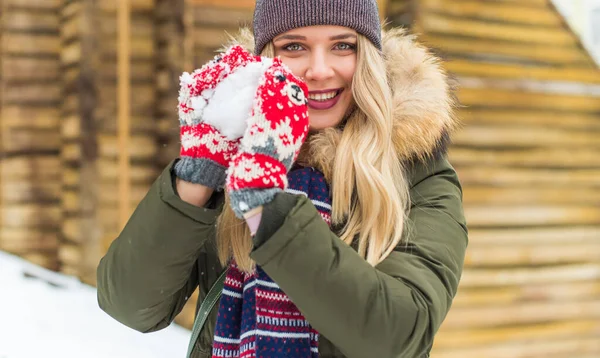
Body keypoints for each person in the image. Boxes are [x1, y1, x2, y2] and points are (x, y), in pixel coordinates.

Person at [96, 0, 468, 357]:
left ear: (367, 56)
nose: (319, 70)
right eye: (294, 46)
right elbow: (132, 305)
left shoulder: (418, 175)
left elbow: (397, 336)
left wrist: (267, 211)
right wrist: (199, 176)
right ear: (266, 58)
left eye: (342, 45)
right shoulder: (229, 156)